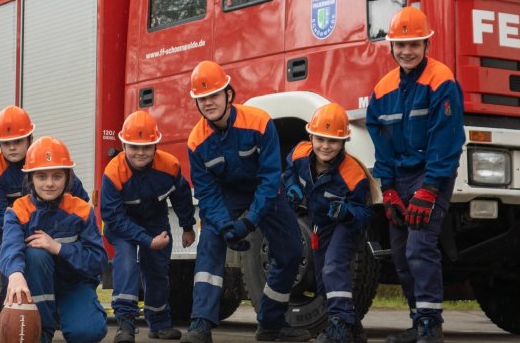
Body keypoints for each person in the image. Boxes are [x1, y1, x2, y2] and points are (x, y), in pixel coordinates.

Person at [180, 60, 309, 343]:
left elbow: (270, 177)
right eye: (202, 99)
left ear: (229, 94)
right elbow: (207, 192)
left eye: (214, 95)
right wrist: (227, 226)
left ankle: (271, 325)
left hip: (266, 192)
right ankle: (200, 324)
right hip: (226, 198)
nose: (209, 103)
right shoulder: (196, 142)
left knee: (290, 251)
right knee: (210, 245)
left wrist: (249, 221)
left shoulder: (260, 122)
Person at [365, 7, 465, 343]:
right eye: (400, 44)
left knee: (419, 248)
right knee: (400, 254)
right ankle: (416, 319)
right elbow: (382, 147)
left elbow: (446, 139)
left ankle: (430, 324)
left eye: (414, 44)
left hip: (431, 174)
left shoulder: (441, 80)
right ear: (390, 45)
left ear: (426, 44)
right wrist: (388, 189)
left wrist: (430, 188)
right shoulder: (382, 91)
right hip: (400, 179)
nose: (407, 51)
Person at [0, 136, 108, 343]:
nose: (49, 183)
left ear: (68, 178)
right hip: (34, 287)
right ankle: (42, 331)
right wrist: (15, 274)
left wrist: (58, 247)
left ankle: (72, 312)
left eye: (57, 176)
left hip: (73, 284)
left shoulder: (82, 210)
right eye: (41, 176)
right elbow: (9, 247)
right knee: (36, 254)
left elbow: (98, 260)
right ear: (30, 178)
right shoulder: (18, 211)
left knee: (87, 333)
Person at [101, 111, 197, 343]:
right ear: (123, 144)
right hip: (121, 225)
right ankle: (125, 325)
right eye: (134, 147)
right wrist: (146, 240)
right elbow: (113, 216)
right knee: (125, 263)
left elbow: (182, 197)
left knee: (157, 271)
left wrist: (187, 227)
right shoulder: (113, 173)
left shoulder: (170, 167)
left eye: (147, 146)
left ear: (156, 145)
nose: (140, 152)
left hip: (155, 222)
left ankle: (159, 324)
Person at [282, 103, 372, 343]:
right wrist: (290, 185)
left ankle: (340, 327)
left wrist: (346, 212)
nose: (325, 146)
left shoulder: (353, 176)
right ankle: (353, 327)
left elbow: (365, 214)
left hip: (345, 227)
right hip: (320, 224)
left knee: (333, 268)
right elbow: (290, 172)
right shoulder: (299, 153)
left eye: (333, 141)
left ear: (343, 142)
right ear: (310, 136)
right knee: (323, 280)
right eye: (320, 138)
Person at [0, 106, 89, 231]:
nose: (12, 147)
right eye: (6, 143)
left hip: (59, 228)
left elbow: (81, 201)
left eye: (18, 141)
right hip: (16, 230)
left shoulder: (49, 156)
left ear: (30, 138)